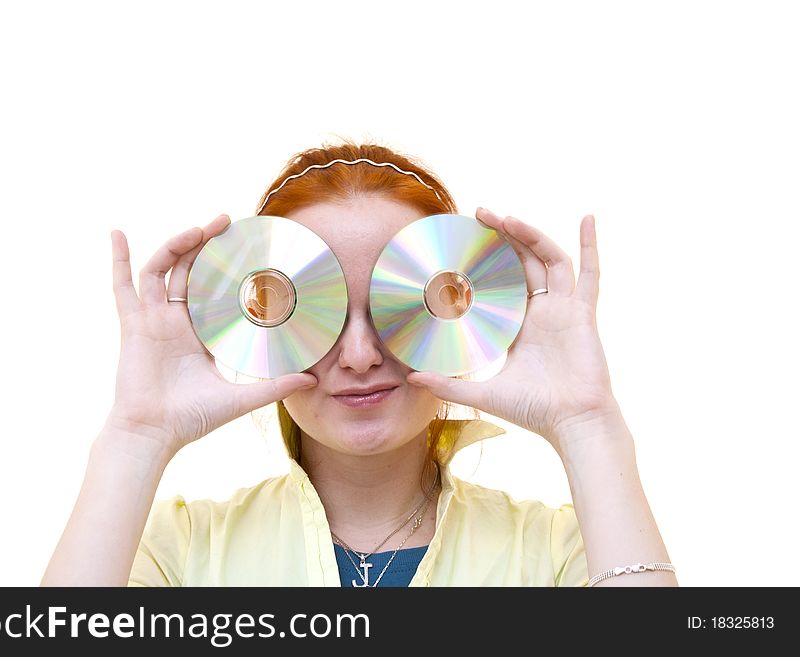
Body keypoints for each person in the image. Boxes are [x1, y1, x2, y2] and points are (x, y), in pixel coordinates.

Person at [41, 140, 676, 587]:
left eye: (398, 308)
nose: (361, 355)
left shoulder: (562, 550)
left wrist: (588, 423)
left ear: (460, 308)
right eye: (316, 311)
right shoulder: (176, 551)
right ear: (252, 322)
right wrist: (135, 435)